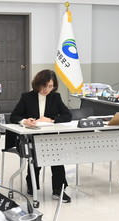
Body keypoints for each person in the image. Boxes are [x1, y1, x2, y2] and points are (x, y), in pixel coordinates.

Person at [9, 69, 73, 203]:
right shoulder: (27, 97)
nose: (47, 90)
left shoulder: (55, 97)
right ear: (37, 84)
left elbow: (67, 115)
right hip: (29, 139)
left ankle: (59, 189)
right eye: (44, 86)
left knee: (56, 155)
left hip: (50, 138)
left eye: (50, 86)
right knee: (36, 153)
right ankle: (32, 185)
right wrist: (25, 121)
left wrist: (51, 120)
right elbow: (14, 116)